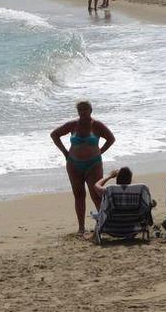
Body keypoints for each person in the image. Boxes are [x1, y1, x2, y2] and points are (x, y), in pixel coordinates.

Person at [51, 100, 116, 236]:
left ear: (91, 110)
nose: (82, 112)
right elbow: (54, 134)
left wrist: (100, 151)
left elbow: (111, 139)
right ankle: (81, 227)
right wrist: (65, 153)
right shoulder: (73, 125)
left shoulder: (97, 125)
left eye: (85, 109)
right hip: (74, 164)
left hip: (93, 164)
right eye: (80, 109)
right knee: (79, 195)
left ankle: (103, 224)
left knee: (96, 194)